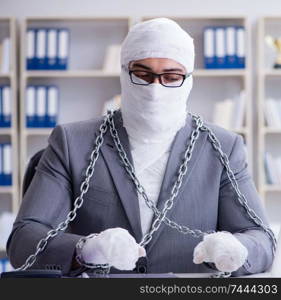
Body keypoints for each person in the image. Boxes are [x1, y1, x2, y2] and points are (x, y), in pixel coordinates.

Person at [6, 18, 274, 277]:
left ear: (189, 78)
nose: (155, 89)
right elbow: (23, 241)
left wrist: (239, 249)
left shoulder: (224, 147)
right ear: (124, 73)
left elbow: (262, 240)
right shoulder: (72, 142)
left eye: (171, 76)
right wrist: (86, 249)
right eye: (143, 74)